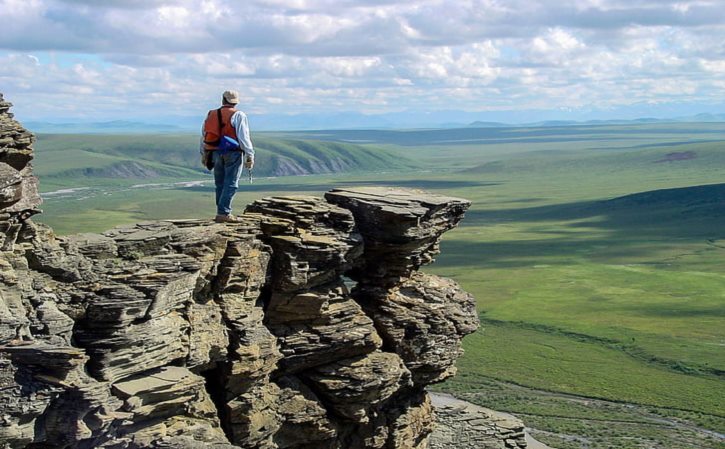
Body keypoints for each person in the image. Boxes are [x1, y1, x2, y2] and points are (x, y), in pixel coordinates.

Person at [201, 90, 255, 223]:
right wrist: (250, 154)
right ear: (235, 102)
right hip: (232, 152)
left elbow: (204, 134)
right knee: (231, 183)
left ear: (222, 100)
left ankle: (221, 211)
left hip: (214, 151)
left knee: (219, 183)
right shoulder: (238, 115)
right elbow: (243, 137)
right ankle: (224, 213)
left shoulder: (211, 114)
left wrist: (203, 153)